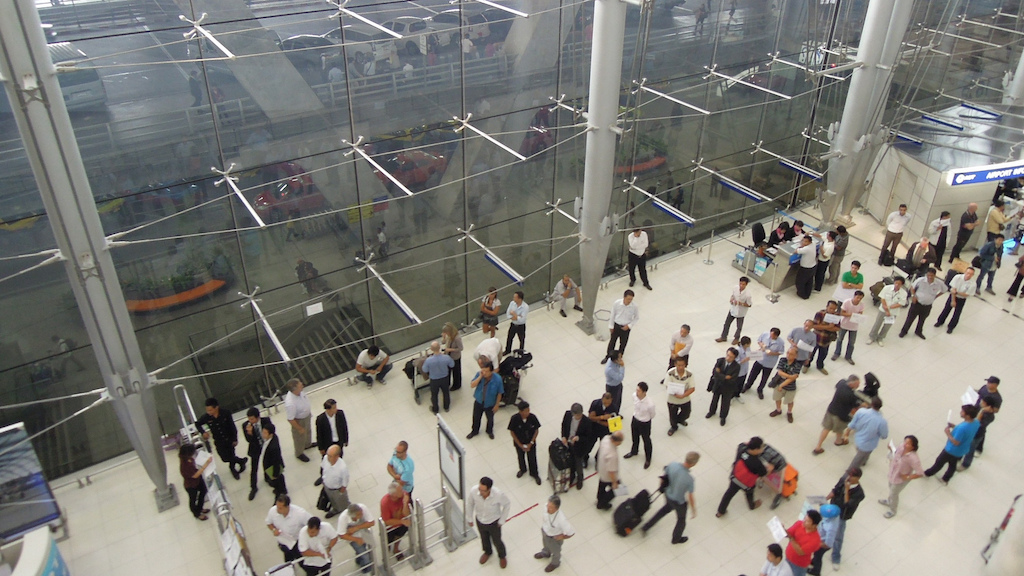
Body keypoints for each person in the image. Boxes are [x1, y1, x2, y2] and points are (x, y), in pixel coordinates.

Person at [641, 452, 699, 543]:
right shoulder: (689, 479)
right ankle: (676, 538)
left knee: (663, 511)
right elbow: (690, 496)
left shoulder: (673, 465)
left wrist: (661, 488)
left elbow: (663, 477)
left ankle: (646, 527)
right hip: (679, 502)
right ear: (694, 464)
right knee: (681, 520)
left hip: (668, 495)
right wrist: (693, 509)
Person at [819, 468, 864, 572]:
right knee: (824, 525)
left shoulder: (859, 493)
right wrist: (825, 499)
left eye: (851, 475)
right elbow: (835, 491)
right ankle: (821, 542)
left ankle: (836, 557)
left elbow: (847, 503)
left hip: (841, 515)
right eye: (848, 474)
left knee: (838, 537)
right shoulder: (843, 480)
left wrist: (847, 490)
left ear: (857, 478)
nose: (848, 477)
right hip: (832, 509)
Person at [923, 404, 981, 485]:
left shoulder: (962, 428)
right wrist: (954, 426)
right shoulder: (976, 422)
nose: (961, 412)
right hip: (962, 450)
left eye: (963, 412)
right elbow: (966, 432)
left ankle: (927, 473)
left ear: (967, 415)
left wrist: (948, 433)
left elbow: (956, 442)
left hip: (951, 450)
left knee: (939, 462)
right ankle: (945, 479)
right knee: (952, 465)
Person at [716, 437, 772, 516]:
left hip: (735, 477)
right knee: (749, 494)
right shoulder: (757, 463)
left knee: (728, 494)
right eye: (761, 447)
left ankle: (720, 512)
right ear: (756, 449)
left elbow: (742, 444)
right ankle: (752, 506)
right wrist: (769, 469)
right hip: (746, 484)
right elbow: (763, 474)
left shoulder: (741, 448)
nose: (763, 448)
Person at [195, 397, 247, 480]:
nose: (209, 412)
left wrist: (235, 439)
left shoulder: (225, 413)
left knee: (231, 455)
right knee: (225, 458)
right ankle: (241, 461)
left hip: (229, 438)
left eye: (210, 410)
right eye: (207, 410)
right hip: (219, 441)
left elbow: (232, 426)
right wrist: (203, 432)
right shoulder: (207, 417)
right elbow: (197, 424)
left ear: (216, 407)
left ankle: (233, 469)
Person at [812, 376, 863, 455]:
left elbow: (836, 386)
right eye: (857, 384)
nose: (858, 386)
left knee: (826, 428)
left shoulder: (841, 383)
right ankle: (838, 441)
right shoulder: (851, 395)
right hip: (841, 415)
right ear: (852, 384)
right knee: (839, 429)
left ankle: (818, 447)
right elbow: (855, 406)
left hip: (831, 410)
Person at [468, 477, 511, 568]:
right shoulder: (474, 491)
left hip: (494, 522)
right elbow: (470, 504)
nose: (480, 492)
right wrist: (470, 518)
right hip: (480, 520)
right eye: (480, 489)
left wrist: (502, 520)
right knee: (484, 538)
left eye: (483, 490)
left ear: (489, 489)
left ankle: (502, 556)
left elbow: (507, 504)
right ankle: (487, 552)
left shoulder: (498, 494)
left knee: (497, 540)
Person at [960, 376, 1002, 469]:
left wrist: (986, 410)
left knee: (978, 434)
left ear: (995, 385)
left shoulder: (997, 398)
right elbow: (979, 393)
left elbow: (996, 410)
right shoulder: (984, 388)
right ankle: (960, 454)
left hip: (983, 418)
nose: (988, 384)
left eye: (990, 383)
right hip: (975, 412)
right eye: (988, 382)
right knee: (970, 432)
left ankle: (973, 455)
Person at [879, 435, 924, 518]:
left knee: (894, 493)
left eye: (908, 444)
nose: (904, 444)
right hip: (893, 473)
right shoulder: (901, 447)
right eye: (905, 442)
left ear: (913, 447)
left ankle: (893, 510)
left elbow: (920, 473)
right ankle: (889, 501)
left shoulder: (914, 459)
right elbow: (896, 453)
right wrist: (891, 449)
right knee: (890, 487)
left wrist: (907, 477)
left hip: (900, 479)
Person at [898, 268, 948, 339]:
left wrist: (936, 296)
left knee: (922, 319)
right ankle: (904, 331)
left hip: (927, 306)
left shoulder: (939, 283)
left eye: (932, 275)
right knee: (910, 318)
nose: (930, 277)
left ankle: (918, 331)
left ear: (935, 275)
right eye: (928, 275)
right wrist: (913, 296)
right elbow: (912, 287)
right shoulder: (920, 280)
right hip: (917, 304)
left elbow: (944, 290)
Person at [842, 396, 888, 469]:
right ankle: (851, 470)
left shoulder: (861, 412)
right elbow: (884, 436)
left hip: (858, 439)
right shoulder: (882, 422)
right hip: (869, 445)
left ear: (871, 404)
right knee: (859, 459)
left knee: (859, 453)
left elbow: (852, 424)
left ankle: (863, 461)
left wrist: (847, 433)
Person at [266, 494, 311, 563]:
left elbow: (312, 524)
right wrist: (274, 529)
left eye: (280, 508)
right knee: (288, 560)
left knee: (302, 561)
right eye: (277, 506)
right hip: (283, 542)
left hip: (297, 543)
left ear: (287, 507)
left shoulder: (300, 514)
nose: (277, 510)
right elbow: (269, 523)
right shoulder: (273, 511)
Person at [535, 495, 574, 572]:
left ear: (556, 508)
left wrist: (562, 537)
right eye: (548, 506)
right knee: (545, 544)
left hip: (554, 538)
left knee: (556, 552)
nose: (547, 509)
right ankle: (546, 553)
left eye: (550, 507)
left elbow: (571, 533)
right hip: (545, 531)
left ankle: (555, 563)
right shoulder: (546, 506)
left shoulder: (561, 519)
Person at [866, 276, 907, 346]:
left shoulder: (904, 293)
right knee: (877, 324)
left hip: (893, 312)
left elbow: (900, 304)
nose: (897, 285)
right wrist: (886, 308)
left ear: (902, 285)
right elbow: (882, 298)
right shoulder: (887, 288)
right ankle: (872, 337)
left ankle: (880, 338)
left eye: (899, 284)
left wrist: (889, 308)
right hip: (883, 309)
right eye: (896, 283)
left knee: (887, 326)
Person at [560, 403, 594, 489]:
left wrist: (578, 438)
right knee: (570, 462)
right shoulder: (567, 415)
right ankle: (571, 476)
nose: (578, 416)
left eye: (579, 414)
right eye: (576, 415)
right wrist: (564, 436)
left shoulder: (587, 422)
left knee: (578, 464)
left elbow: (589, 437)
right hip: (568, 444)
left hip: (579, 447)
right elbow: (564, 425)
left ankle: (580, 478)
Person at [744, 328, 785, 398]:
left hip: (769, 362)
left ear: (776, 336)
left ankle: (760, 389)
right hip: (760, 357)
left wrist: (772, 353)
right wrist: (762, 345)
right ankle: (748, 385)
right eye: (770, 334)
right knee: (753, 373)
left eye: (773, 336)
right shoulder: (765, 334)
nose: (771, 336)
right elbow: (759, 341)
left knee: (764, 377)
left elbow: (781, 352)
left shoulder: (780, 342)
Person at [467, 360, 503, 439]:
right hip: (479, 401)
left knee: (490, 419)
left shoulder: (498, 379)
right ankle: (474, 431)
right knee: (476, 417)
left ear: (491, 371)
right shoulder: (479, 374)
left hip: (490, 403)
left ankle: (489, 431)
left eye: (486, 371)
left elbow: (500, 393)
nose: (484, 373)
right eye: (483, 370)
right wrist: (480, 377)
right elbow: (472, 385)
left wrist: (497, 405)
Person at [508, 401, 542, 484]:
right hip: (519, 443)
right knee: (520, 457)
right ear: (521, 411)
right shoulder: (514, 419)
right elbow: (512, 432)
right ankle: (522, 469)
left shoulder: (532, 417)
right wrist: (520, 445)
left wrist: (531, 443)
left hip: (530, 442)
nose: (528, 412)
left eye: (528, 410)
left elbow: (536, 430)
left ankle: (534, 473)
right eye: (526, 410)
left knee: (532, 458)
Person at [934, 267, 976, 333]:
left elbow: (967, 294)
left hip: (961, 299)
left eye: (971, 274)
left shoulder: (973, 284)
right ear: (965, 272)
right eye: (968, 273)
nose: (968, 275)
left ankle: (951, 327)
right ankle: (940, 322)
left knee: (957, 313)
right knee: (946, 309)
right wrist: (953, 300)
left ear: (973, 275)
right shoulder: (957, 277)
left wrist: (957, 292)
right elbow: (953, 290)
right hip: (953, 296)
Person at [706, 347, 741, 426]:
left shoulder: (737, 366)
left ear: (735, 358)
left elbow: (732, 379)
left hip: (728, 388)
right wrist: (725, 377)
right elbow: (714, 373)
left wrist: (720, 375)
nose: (728, 358)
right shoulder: (720, 361)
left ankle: (723, 417)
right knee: (714, 399)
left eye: (731, 357)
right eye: (727, 355)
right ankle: (712, 411)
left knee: (725, 403)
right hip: (717, 385)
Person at [243, 407, 272, 501]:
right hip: (255, 448)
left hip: (266, 446)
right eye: (249, 419)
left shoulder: (266, 421)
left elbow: (271, 433)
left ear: (258, 417)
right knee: (254, 468)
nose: (250, 421)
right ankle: (253, 487)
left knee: (268, 463)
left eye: (252, 419)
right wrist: (250, 433)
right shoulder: (246, 425)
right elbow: (248, 440)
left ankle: (268, 478)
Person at [603, 290, 639, 364]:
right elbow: (612, 314)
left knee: (623, 344)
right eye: (628, 299)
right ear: (624, 297)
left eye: (631, 299)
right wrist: (611, 326)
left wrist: (629, 326)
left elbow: (636, 318)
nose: (630, 301)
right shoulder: (617, 303)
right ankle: (608, 356)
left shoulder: (634, 306)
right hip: (616, 325)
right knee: (612, 342)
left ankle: (619, 358)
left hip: (626, 327)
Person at [338, 503, 375, 574]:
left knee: (363, 548)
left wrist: (356, 528)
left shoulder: (363, 508)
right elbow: (341, 535)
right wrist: (357, 539)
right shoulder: (343, 518)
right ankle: (367, 570)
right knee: (366, 557)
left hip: (363, 532)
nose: (361, 515)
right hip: (352, 538)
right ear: (353, 516)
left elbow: (372, 522)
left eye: (361, 513)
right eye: (359, 515)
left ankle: (359, 559)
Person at [624, 382, 655, 467]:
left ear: (644, 392)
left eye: (639, 391)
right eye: (636, 390)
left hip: (645, 422)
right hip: (635, 419)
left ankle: (648, 458)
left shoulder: (650, 404)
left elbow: (652, 414)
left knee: (646, 440)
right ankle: (634, 451)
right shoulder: (634, 396)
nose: (637, 392)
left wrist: (645, 418)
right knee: (634, 437)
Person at [784, 509, 822, 576]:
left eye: (807, 521)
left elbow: (800, 552)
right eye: (804, 518)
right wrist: (782, 530)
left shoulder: (815, 540)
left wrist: (792, 539)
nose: (804, 521)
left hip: (799, 565)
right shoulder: (799, 524)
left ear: (814, 525)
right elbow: (789, 533)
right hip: (788, 558)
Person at [831, 292, 866, 365]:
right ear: (854, 296)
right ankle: (837, 353)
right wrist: (852, 315)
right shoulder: (847, 302)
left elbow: (860, 314)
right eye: (857, 297)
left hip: (854, 326)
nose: (859, 299)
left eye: (860, 298)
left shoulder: (862, 305)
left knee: (851, 342)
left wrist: (857, 316)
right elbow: (842, 313)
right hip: (844, 324)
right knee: (840, 339)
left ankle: (848, 356)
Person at [770, 347, 802, 423]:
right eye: (788, 353)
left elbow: (791, 380)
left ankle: (789, 412)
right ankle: (778, 410)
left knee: (790, 401)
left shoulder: (797, 365)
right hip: (778, 383)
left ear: (795, 356)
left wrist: (782, 385)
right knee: (777, 398)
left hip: (790, 387)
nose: (788, 355)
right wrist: (790, 376)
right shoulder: (782, 360)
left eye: (791, 354)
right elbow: (780, 372)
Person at [179, 443, 210, 521]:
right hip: (191, 485)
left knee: (203, 491)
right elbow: (195, 475)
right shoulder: (185, 466)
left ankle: (200, 508)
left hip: (197, 481)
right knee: (193, 499)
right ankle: (197, 514)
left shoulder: (188, 459)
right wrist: (206, 465)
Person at [717, 276, 753, 344]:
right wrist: (731, 299)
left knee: (739, 327)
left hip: (741, 312)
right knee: (726, 323)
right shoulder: (735, 288)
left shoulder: (748, 295)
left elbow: (749, 304)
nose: (741, 286)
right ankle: (723, 337)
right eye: (740, 284)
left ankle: (736, 338)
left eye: (743, 284)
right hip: (733, 309)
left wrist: (740, 303)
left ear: (746, 284)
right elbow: (733, 295)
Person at [284, 378, 313, 462]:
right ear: (295, 389)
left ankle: (308, 444)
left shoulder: (300, 392)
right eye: (300, 385)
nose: (302, 385)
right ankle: (299, 453)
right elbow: (290, 419)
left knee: (308, 431)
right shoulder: (290, 403)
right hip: (299, 421)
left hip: (306, 416)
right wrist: (299, 428)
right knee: (299, 438)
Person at [380, 482, 411, 558]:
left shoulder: (404, 495)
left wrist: (405, 503)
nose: (403, 491)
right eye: (400, 491)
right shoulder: (385, 503)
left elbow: (407, 514)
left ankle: (396, 549)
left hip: (402, 523)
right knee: (388, 540)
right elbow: (387, 520)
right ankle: (387, 550)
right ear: (394, 495)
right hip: (390, 527)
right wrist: (401, 521)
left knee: (399, 536)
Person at [422, 341, 455, 413]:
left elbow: (424, 369)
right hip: (445, 378)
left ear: (431, 349)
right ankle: (446, 407)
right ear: (439, 347)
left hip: (434, 380)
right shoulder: (446, 357)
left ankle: (435, 409)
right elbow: (452, 365)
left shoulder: (428, 360)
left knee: (434, 395)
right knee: (446, 393)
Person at [665, 356, 695, 435]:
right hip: (672, 399)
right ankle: (674, 427)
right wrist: (675, 393)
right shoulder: (670, 373)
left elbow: (692, 388)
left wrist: (683, 395)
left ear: (685, 365)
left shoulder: (689, 374)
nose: (681, 367)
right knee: (672, 415)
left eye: (682, 365)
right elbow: (667, 386)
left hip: (685, 398)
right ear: (675, 364)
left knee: (687, 413)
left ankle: (680, 420)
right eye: (679, 365)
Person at [810, 301, 840, 375]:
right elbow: (815, 326)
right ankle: (806, 365)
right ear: (827, 307)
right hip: (816, 338)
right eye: (830, 308)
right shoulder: (819, 314)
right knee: (810, 353)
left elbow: (837, 328)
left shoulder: (837, 316)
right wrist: (829, 327)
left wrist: (823, 327)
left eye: (834, 309)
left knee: (823, 354)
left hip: (826, 340)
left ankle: (820, 366)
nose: (832, 311)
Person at [596, 431, 624, 510]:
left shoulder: (605, 439)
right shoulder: (612, 454)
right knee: (618, 488)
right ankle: (602, 503)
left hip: (601, 467)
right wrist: (614, 482)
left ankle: (599, 498)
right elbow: (611, 471)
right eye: (620, 442)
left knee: (602, 484)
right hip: (608, 475)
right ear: (616, 441)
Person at [320, 445, 350, 519]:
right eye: (328, 455)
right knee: (332, 500)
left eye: (330, 456)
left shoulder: (342, 467)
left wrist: (341, 490)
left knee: (342, 503)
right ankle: (335, 509)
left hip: (337, 489)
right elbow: (323, 468)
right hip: (327, 486)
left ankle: (346, 513)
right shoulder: (325, 458)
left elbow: (345, 480)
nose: (328, 458)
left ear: (337, 456)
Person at [261, 422, 288, 497]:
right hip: (271, 464)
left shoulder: (273, 447)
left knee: (277, 479)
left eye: (265, 433)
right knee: (279, 478)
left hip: (273, 467)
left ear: (271, 434)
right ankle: (281, 489)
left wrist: (275, 474)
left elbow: (275, 462)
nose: (263, 434)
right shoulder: (273, 437)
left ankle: (281, 491)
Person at [441, 322, 464, 390]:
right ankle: (446, 383)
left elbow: (461, 348)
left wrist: (450, 349)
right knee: (447, 371)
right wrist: (444, 337)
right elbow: (443, 342)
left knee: (456, 372)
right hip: (448, 356)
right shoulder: (448, 336)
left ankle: (457, 385)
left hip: (455, 357)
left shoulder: (457, 338)